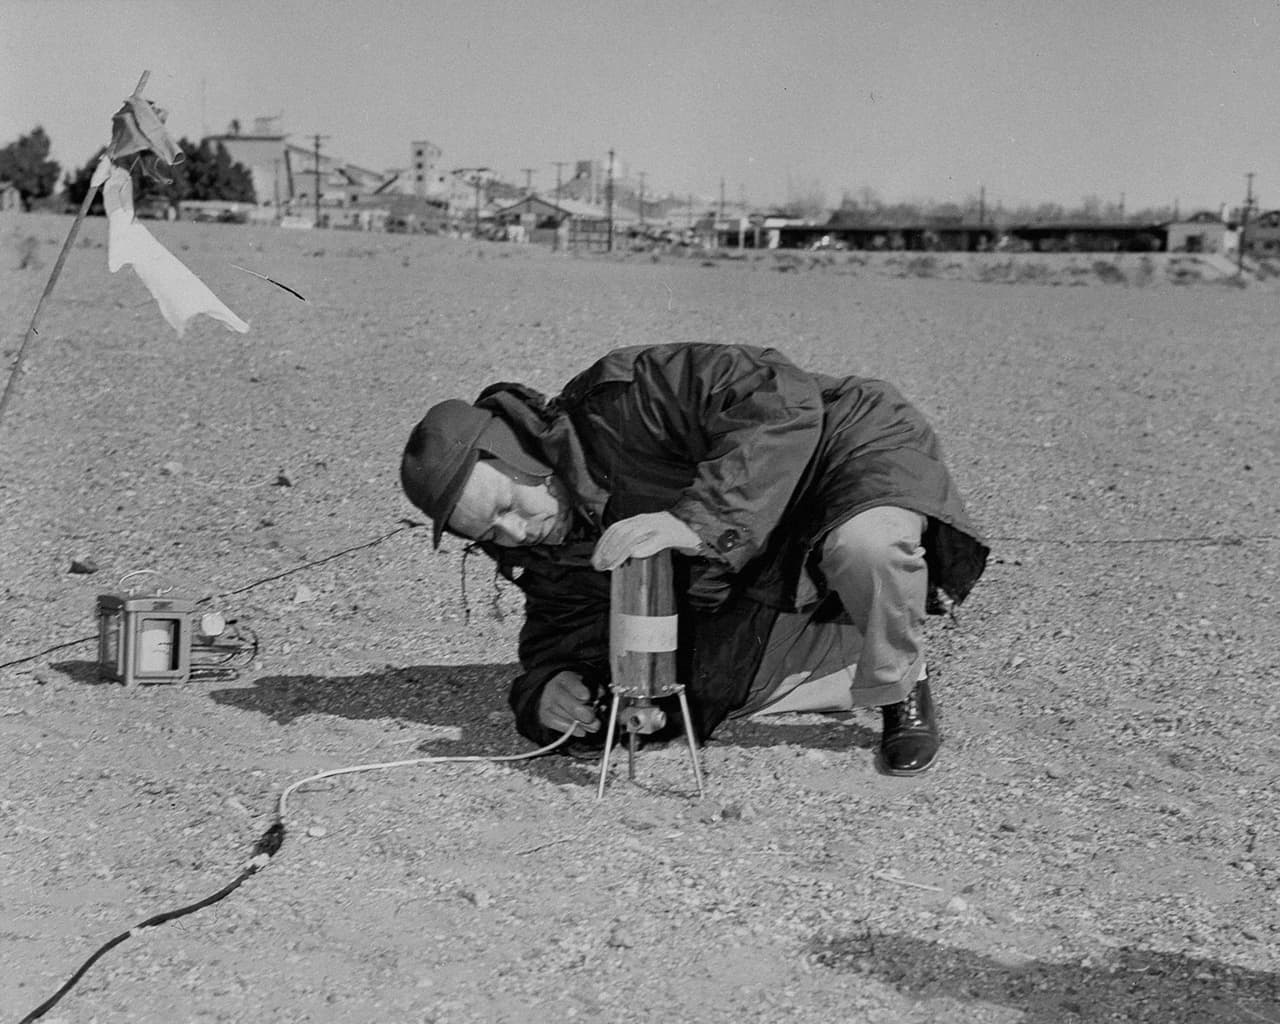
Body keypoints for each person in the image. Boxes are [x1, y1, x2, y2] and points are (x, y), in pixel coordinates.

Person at [400, 343, 988, 775]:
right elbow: (561, 633)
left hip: (844, 447)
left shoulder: (626, 396)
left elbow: (781, 396)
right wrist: (550, 688)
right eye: (490, 533)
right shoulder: (541, 546)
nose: (516, 530)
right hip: (764, 540)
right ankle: (849, 646)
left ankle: (898, 686)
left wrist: (694, 523)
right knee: (713, 685)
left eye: (506, 503)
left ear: (516, 453)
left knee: (865, 546)